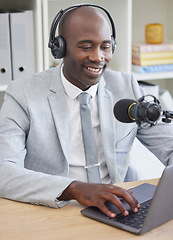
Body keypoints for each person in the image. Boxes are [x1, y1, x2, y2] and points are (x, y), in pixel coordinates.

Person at [0, 4, 173, 219]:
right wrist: (75, 188)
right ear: (60, 49)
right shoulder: (24, 93)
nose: (98, 57)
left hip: (118, 208)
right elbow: (4, 171)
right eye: (86, 47)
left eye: (105, 46)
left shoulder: (126, 86)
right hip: (55, 209)